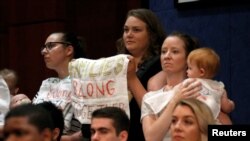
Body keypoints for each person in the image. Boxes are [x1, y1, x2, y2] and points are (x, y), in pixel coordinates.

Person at [127, 31, 201, 141]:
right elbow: (151, 137)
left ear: (188, 59)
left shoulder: (198, 87)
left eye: (175, 52)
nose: (167, 56)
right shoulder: (149, 98)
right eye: (163, 52)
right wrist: (175, 100)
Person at [116, 8, 166, 141]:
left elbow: (153, 110)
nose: (129, 35)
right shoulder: (117, 62)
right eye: (126, 30)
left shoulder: (161, 64)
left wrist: (131, 78)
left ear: (151, 34)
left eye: (136, 30)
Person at [32, 31, 86, 140]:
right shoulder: (47, 83)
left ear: (69, 50)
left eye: (50, 46)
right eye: (44, 47)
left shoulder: (85, 82)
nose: (43, 51)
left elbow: (90, 128)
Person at [186, 47, 235, 124]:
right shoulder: (219, 88)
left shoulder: (190, 82)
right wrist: (231, 104)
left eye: (189, 68)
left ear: (201, 72)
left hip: (195, 120)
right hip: (214, 119)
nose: (187, 71)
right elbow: (226, 107)